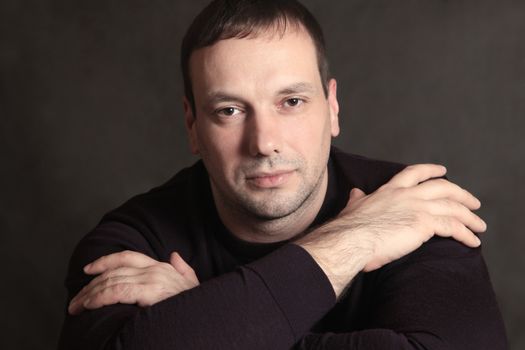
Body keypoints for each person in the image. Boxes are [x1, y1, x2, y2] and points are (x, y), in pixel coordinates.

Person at [58, 0, 507, 349]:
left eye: (291, 102)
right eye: (229, 110)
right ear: (192, 125)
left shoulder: (414, 209)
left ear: (332, 107)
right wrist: (350, 240)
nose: (264, 142)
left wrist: (202, 314)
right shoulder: (128, 245)